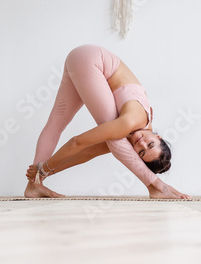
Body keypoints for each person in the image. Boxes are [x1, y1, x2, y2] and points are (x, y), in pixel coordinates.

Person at [24, 44, 190, 199]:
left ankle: (33, 186)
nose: (141, 143)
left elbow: (87, 153)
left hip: (78, 59)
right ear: (158, 137)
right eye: (151, 144)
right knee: (117, 142)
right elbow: (77, 142)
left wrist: (43, 172)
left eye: (141, 152)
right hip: (92, 61)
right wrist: (43, 168)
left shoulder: (126, 139)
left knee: (55, 125)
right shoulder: (132, 121)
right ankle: (155, 186)